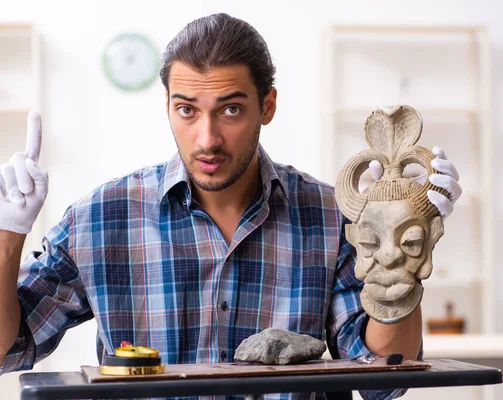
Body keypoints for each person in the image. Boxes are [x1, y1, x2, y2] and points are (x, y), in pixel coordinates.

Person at [0, 13, 461, 400]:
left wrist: (401, 238)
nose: (208, 138)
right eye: (187, 110)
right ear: (167, 107)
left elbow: (383, 371)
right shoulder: (100, 219)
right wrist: (7, 235)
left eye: (231, 109)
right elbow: (10, 349)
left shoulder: (328, 214)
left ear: (268, 105)